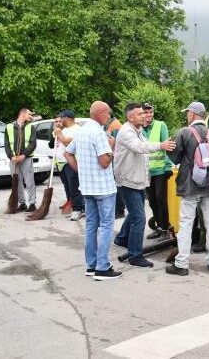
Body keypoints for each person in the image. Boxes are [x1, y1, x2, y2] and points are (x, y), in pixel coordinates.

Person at [112, 103, 175, 268]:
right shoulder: (126, 132)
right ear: (130, 117)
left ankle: (121, 238)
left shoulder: (137, 131)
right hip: (128, 181)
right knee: (139, 218)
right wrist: (160, 145)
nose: (144, 116)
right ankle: (135, 255)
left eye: (144, 113)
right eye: (140, 114)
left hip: (137, 180)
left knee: (135, 213)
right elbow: (140, 148)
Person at [64, 101, 120, 281]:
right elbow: (104, 162)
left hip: (87, 188)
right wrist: (111, 148)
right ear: (100, 113)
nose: (109, 116)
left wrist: (80, 170)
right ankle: (102, 267)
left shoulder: (81, 131)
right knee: (106, 226)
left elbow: (67, 153)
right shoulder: (98, 133)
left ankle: (91, 264)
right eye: (108, 113)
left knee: (90, 226)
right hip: (103, 188)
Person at [166, 102, 209, 276]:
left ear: (192, 114)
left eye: (188, 113)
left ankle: (182, 264)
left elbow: (175, 158)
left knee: (186, 224)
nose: (187, 115)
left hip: (189, 185)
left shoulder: (184, 132)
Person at [142, 103, 173, 239]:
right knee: (152, 201)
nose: (148, 115)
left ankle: (165, 229)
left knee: (161, 200)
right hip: (146, 171)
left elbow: (167, 146)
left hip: (160, 169)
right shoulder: (138, 129)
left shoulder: (160, 125)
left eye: (150, 112)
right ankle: (159, 227)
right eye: (146, 112)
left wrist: (167, 167)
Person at [53, 111, 84, 221]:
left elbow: (68, 143)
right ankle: (73, 206)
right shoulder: (64, 130)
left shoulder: (76, 129)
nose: (60, 121)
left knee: (74, 186)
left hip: (71, 162)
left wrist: (59, 134)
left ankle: (78, 209)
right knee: (68, 186)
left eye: (61, 118)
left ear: (67, 118)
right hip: (61, 162)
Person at [4, 108, 37, 212]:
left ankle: (32, 203)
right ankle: (22, 203)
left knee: (29, 181)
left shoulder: (31, 126)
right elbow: (7, 144)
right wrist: (11, 157)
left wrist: (24, 155)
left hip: (26, 159)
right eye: (29, 114)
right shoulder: (9, 127)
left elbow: (33, 144)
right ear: (22, 114)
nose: (31, 116)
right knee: (17, 182)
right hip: (13, 160)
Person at [104, 113, 126, 219]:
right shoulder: (110, 125)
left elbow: (117, 145)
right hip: (113, 159)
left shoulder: (115, 125)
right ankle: (117, 209)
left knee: (117, 186)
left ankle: (119, 210)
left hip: (116, 160)